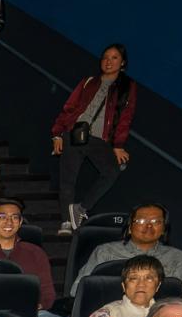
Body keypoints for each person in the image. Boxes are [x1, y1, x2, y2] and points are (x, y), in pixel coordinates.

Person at [49, 45, 137, 233]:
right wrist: (57, 133)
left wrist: (118, 145)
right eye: (105, 57)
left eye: (114, 58)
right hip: (74, 133)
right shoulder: (89, 81)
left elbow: (125, 118)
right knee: (67, 180)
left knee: (111, 171)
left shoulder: (127, 87)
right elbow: (70, 107)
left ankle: (81, 208)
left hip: (98, 138)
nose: (108, 61)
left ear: (123, 63)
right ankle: (66, 222)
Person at [74, 204, 182, 298]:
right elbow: (78, 289)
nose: (149, 226)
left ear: (164, 229)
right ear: (129, 228)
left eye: (156, 222)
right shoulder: (105, 252)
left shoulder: (178, 257)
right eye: (142, 221)